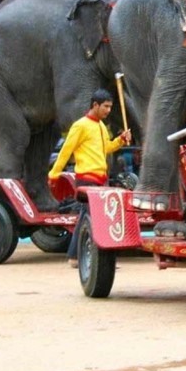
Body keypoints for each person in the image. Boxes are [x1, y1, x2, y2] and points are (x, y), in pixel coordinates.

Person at [48, 89, 131, 267]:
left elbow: (105, 148)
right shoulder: (80, 125)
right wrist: (54, 174)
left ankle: (77, 256)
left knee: (92, 217)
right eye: (106, 107)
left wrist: (120, 140)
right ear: (95, 105)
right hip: (87, 179)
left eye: (110, 107)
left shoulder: (101, 126)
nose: (108, 110)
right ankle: (82, 257)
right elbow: (66, 151)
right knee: (92, 217)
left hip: (101, 178)